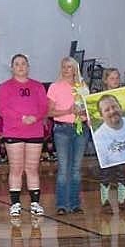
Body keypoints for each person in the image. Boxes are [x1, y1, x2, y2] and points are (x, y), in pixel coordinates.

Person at [0, 54, 48, 218]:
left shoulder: (38, 86)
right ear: (12, 67)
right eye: (17, 64)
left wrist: (36, 117)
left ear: (28, 66)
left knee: (32, 169)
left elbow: (44, 107)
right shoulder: (5, 87)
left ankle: (35, 203)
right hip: (14, 132)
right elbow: (2, 109)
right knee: (16, 168)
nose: (20, 67)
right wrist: (21, 118)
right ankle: (15, 204)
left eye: (23, 64)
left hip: (34, 132)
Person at [93, 68, 125, 214]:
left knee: (123, 172)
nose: (115, 80)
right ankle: (105, 201)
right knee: (105, 171)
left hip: (123, 139)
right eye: (112, 78)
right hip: (106, 140)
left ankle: (122, 200)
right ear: (105, 80)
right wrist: (90, 121)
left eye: (117, 78)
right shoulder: (97, 97)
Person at [47, 56, 89, 215]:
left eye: (69, 67)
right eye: (64, 66)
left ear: (75, 69)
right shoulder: (54, 87)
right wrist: (68, 111)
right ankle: (62, 204)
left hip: (80, 130)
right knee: (64, 169)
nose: (66, 69)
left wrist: (86, 114)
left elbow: (89, 108)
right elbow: (49, 112)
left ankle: (75, 203)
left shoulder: (83, 87)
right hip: (62, 130)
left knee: (76, 169)